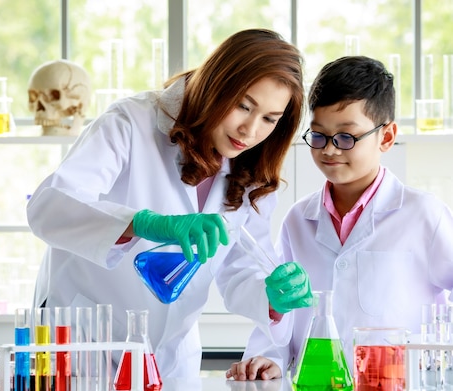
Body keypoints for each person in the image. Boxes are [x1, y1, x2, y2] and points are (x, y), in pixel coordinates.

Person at [26, 28, 313, 378]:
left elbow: (241, 266)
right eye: (243, 105)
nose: (249, 131)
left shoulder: (250, 170)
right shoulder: (132, 122)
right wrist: (146, 223)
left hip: (170, 357)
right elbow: (49, 207)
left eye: (269, 118)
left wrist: (272, 298)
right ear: (215, 85)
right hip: (83, 346)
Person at [225, 55, 453, 381]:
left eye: (346, 137)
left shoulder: (423, 215)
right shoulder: (298, 220)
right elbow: (282, 311)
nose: (329, 151)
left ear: (386, 137)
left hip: (396, 383)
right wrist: (269, 357)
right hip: (317, 384)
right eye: (318, 136)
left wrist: (437, 360)